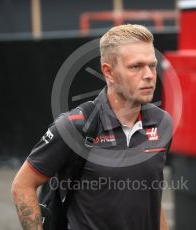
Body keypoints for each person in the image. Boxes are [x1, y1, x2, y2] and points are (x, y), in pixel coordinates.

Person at [11, 24, 173, 230]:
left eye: (152, 65)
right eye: (136, 66)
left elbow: (151, 196)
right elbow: (23, 185)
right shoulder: (75, 125)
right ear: (109, 72)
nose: (149, 74)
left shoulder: (163, 122)